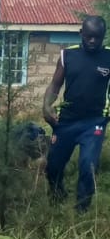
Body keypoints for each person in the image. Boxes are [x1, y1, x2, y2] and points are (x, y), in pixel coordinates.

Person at [43, 14, 110, 212]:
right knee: (53, 167)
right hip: (66, 122)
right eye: (89, 36)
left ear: (103, 36)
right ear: (81, 33)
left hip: (94, 122)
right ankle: (57, 198)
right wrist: (46, 106)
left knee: (88, 166)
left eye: (97, 37)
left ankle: (81, 211)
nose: (93, 41)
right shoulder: (67, 56)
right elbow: (55, 85)